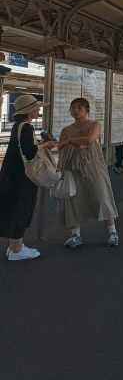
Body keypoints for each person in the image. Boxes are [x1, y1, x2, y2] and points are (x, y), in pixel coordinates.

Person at [57, 98, 119, 248]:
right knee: (72, 200)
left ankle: (112, 232)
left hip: (94, 167)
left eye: (80, 107)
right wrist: (79, 142)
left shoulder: (94, 124)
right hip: (72, 169)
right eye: (73, 107)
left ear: (87, 110)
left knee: (102, 196)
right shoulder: (66, 129)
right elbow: (61, 147)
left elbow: (90, 139)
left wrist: (71, 141)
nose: (76, 110)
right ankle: (75, 235)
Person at [0, 95, 57, 261]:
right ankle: (17, 250)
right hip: (22, 177)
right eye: (37, 107)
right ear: (28, 110)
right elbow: (30, 152)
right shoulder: (26, 127)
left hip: (11, 174)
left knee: (14, 208)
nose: (39, 109)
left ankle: (13, 247)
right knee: (21, 209)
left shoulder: (18, 125)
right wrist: (46, 144)